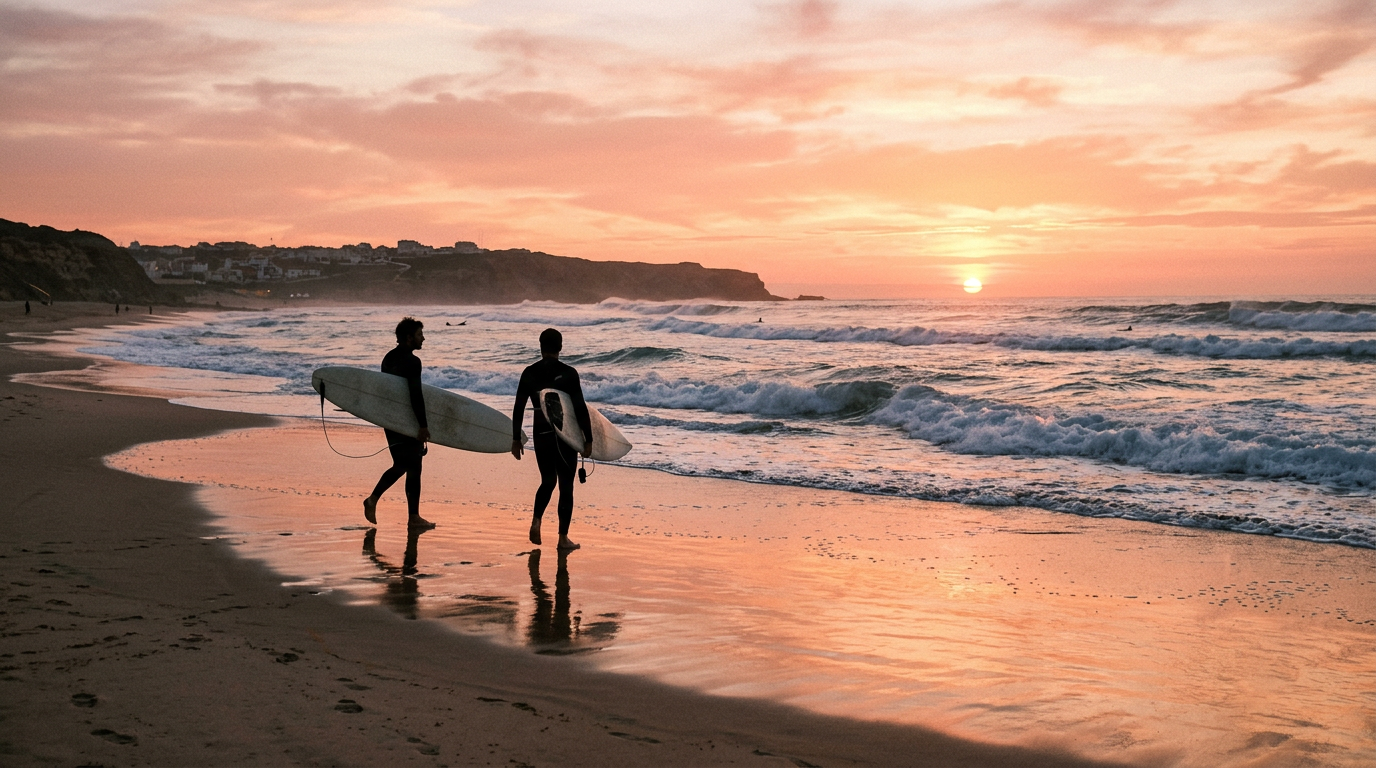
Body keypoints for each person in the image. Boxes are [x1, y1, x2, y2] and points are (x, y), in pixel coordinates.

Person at [511, 328, 592, 551]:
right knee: (566, 485)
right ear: (561, 347)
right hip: (564, 435)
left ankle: (536, 521)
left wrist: (516, 438)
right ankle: (562, 538)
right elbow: (579, 408)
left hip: (541, 433)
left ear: (540, 346)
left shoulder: (529, 372)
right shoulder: (569, 373)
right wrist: (588, 439)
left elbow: (519, 407)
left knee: (547, 480)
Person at [362, 317, 434, 529]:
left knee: (409, 466)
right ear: (409, 337)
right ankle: (374, 499)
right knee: (408, 465)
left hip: (389, 418)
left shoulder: (389, 358)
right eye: (420, 335)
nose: (423, 338)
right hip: (406, 419)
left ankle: (413, 516)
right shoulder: (413, 362)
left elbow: (389, 392)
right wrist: (422, 425)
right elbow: (414, 395)